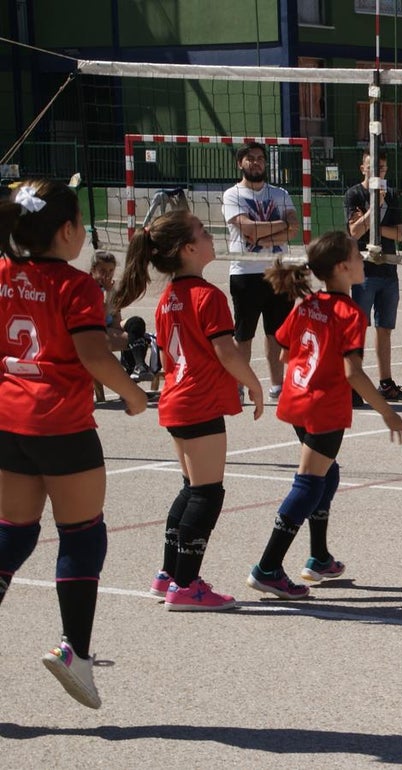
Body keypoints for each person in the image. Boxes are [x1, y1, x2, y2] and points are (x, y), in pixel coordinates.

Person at [0, 179, 148, 708]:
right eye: (82, 224)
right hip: (60, 423)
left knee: (14, 534)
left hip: (9, 420)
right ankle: (75, 653)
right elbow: (94, 354)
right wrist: (134, 395)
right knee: (82, 534)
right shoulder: (75, 286)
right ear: (67, 231)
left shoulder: (4, 273)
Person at [112, 210, 265, 611]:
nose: (211, 235)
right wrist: (254, 384)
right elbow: (226, 350)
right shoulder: (207, 296)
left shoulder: (168, 299)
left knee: (191, 489)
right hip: (198, 401)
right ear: (188, 248)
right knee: (207, 493)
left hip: (176, 399)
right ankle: (186, 584)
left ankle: (168, 575)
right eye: (203, 231)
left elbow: (169, 357)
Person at [247, 231, 402, 599]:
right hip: (324, 408)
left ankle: (318, 557)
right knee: (308, 483)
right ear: (342, 267)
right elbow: (353, 373)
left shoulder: (306, 304)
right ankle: (268, 567)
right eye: (358, 254)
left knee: (327, 473)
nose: (363, 259)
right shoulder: (349, 312)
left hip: (296, 402)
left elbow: (285, 352)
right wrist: (388, 414)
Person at [222, 141, 299, 401]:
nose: (256, 163)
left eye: (260, 159)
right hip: (245, 272)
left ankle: (278, 386)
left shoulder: (280, 194)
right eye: (250, 158)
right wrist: (279, 227)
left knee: (276, 334)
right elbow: (249, 229)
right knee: (244, 335)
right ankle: (238, 387)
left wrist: (267, 233)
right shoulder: (232, 195)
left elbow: (294, 228)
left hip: (279, 271)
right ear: (240, 163)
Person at [345, 151, 402, 404]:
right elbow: (354, 232)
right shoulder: (354, 194)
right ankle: (354, 382)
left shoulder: (392, 194)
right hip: (363, 272)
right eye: (372, 166)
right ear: (362, 168)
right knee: (357, 329)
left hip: (388, 270)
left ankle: (386, 384)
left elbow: (399, 234)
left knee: (384, 328)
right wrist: (375, 208)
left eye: (382, 168)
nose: (378, 171)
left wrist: (373, 221)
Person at [89, 251, 155, 384]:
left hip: (108, 328)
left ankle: (139, 367)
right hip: (93, 332)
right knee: (135, 340)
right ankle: (132, 378)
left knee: (136, 324)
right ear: (93, 270)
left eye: (111, 270)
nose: (107, 274)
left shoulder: (110, 288)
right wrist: (108, 292)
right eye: (102, 270)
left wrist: (131, 332)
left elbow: (116, 321)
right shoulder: (89, 287)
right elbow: (100, 319)